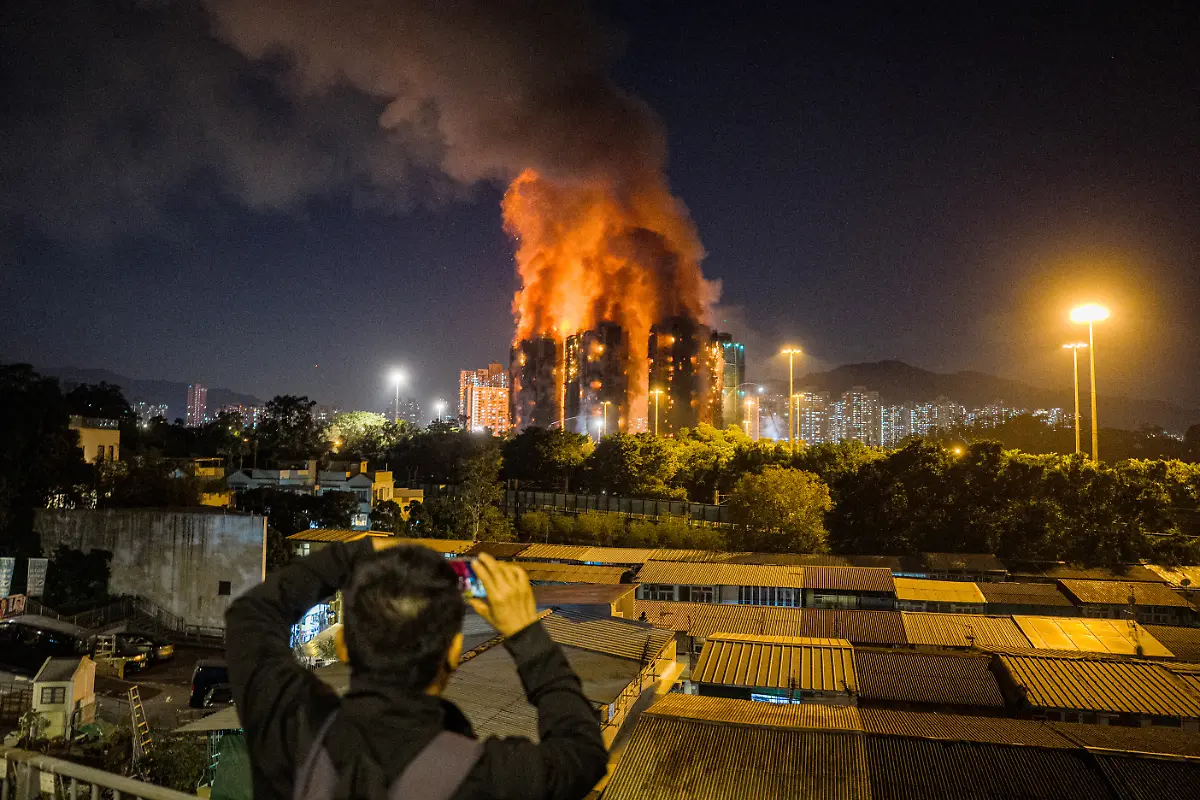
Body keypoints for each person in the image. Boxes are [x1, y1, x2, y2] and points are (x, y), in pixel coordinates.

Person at [226, 538, 608, 799]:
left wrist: (360, 554)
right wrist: (526, 634)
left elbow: (250, 613)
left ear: (342, 646)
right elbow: (584, 753)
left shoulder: (287, 725)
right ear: (454, 652)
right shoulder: (489, 776)